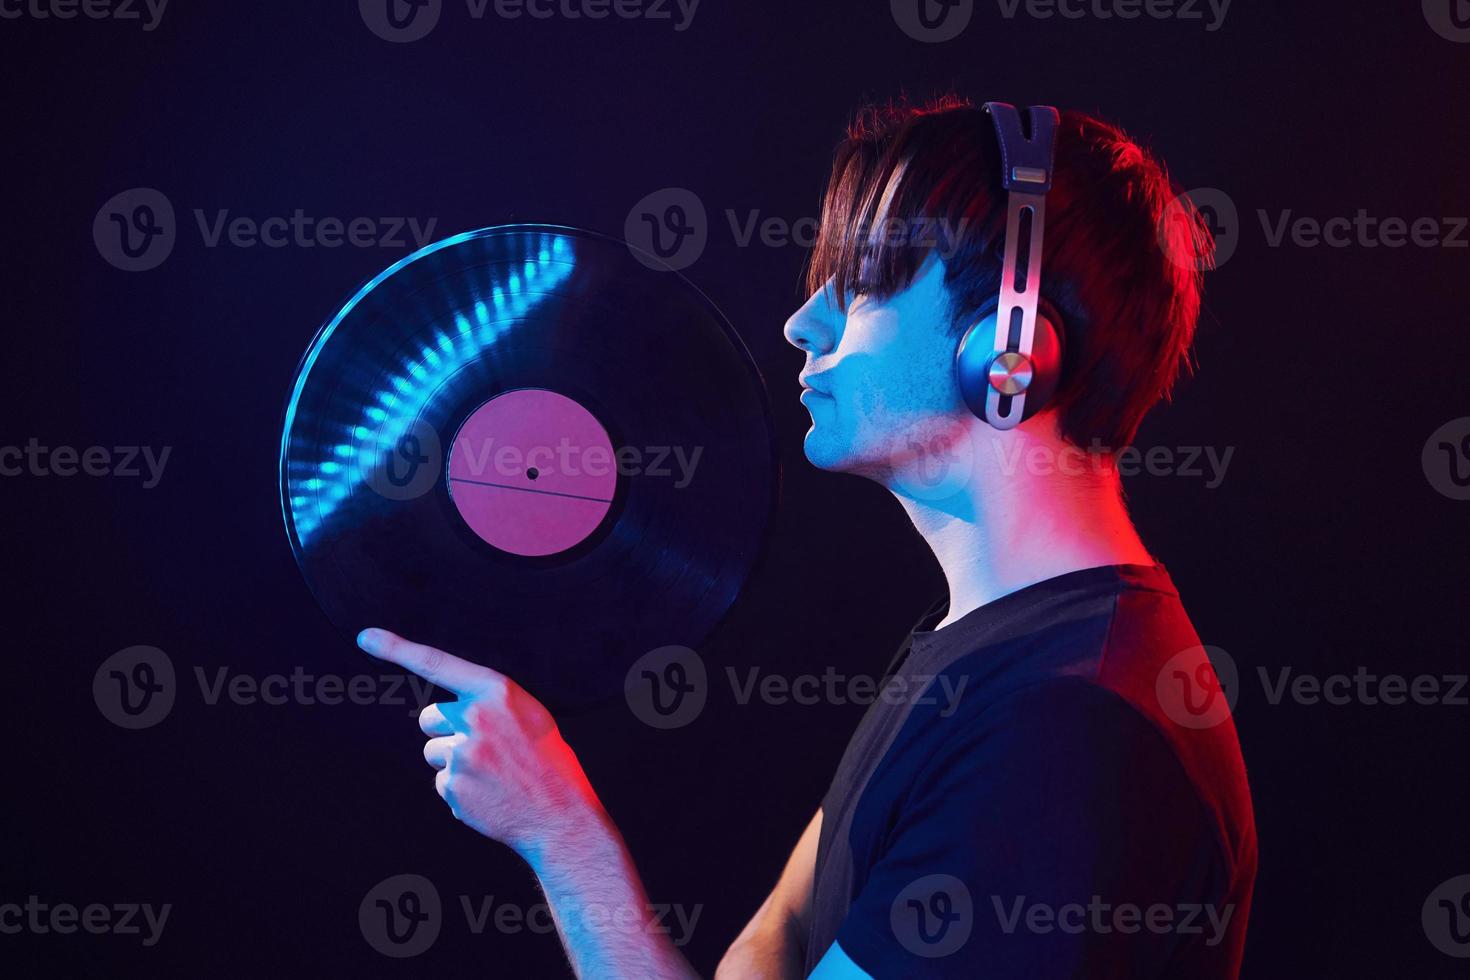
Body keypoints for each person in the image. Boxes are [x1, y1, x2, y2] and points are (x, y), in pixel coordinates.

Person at [356, 94, 1257, 978]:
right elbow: (780, 934)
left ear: (1006, 349)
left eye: (864, 281)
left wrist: (560, 834)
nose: (804, 322)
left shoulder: (1067, 733)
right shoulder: (991, 653)